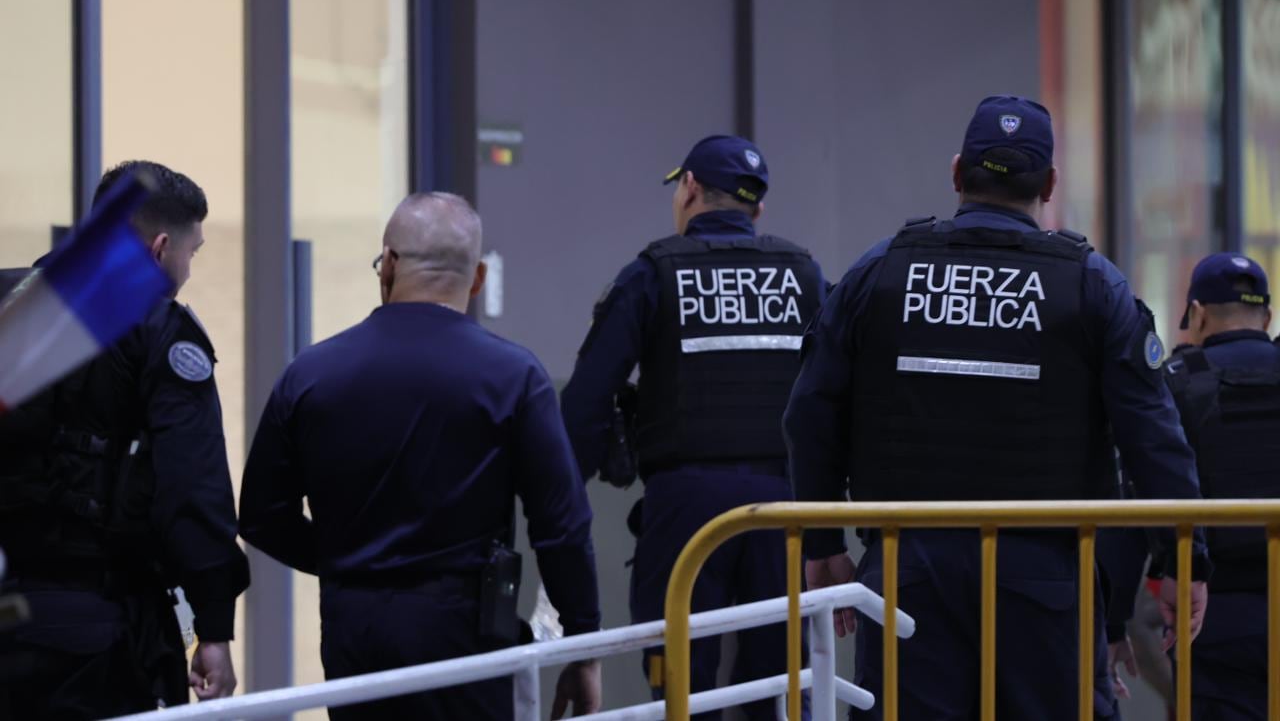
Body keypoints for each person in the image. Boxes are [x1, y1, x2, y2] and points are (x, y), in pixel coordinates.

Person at [783, 96, 1210, 721]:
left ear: (958, 174)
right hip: (1044, 574)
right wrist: (1183, 559)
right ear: (1052, 184)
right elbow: (1153, 438)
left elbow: (810, 411)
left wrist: (821, 539)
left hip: (907, 568)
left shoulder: (880, 273)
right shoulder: (1093, 287)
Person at [238, 192, 602, 720]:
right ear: (476, 278)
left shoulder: (310, 375)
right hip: (467, 631)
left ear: (387, 264)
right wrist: (584, 646)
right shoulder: (514, 377)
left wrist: (347, 562)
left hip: (354, 628)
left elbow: (261, 517)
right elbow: (561, 526)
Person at [561, 135, 825, 718]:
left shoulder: (653, 273)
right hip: (783, 507)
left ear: (688, 190)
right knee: (780, 683)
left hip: (685, 506)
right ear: (756, 208)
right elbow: (834, 394)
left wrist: (561, 500)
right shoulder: (803, 275)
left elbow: (587, 396)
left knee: (681, 682)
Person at [0, 161, 251, 718]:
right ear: (160, 249)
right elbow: (191, 487)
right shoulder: (158, 330)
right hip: (96, 631)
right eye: (192, 253)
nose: (187, 269)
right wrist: (213, 629)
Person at [1162, 252, 1279, 720]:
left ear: (1197, 313)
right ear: (1267, 316)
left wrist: (1109, 624)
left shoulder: (1176, 383)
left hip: (1212, 616)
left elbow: (1142, 485)